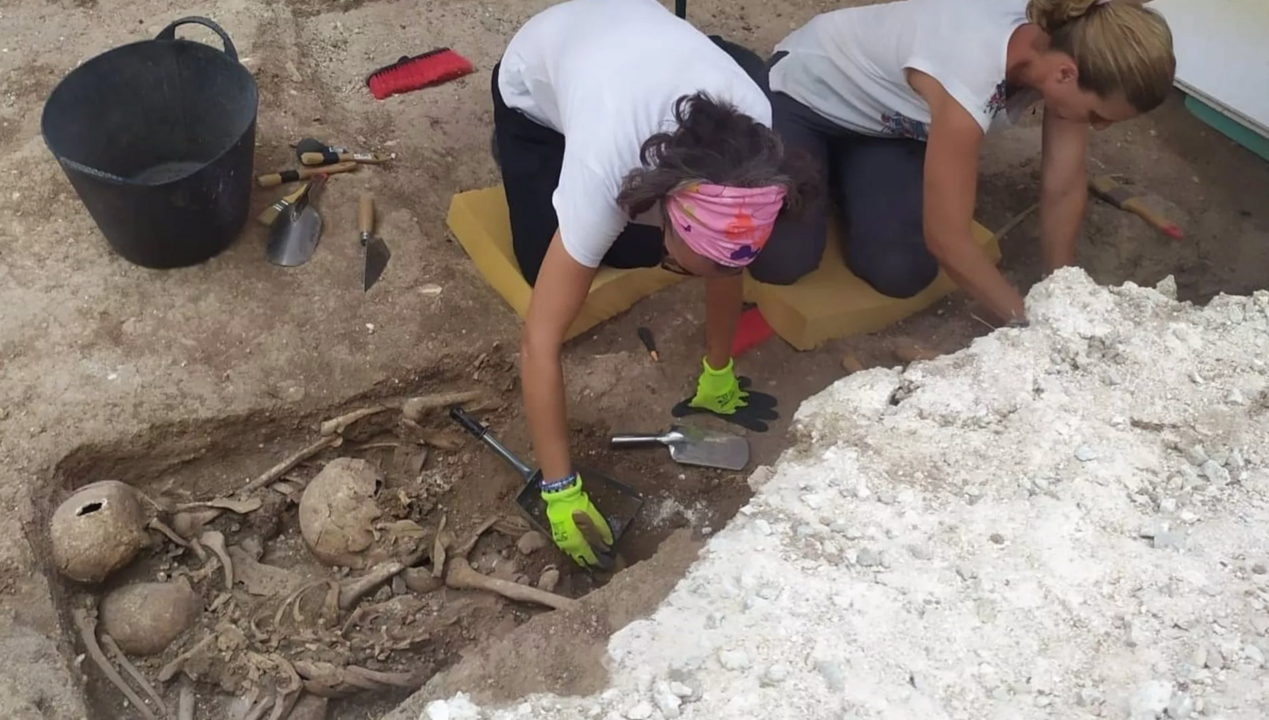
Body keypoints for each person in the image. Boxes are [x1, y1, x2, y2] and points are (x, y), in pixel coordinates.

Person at [490, 0, 817, 570]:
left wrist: (719, 372)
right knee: (544, 255)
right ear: (669, 207)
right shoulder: (606, 159)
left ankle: (662, 255)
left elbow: (729, 255)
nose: (704, 277)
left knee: (643, 245)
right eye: (691, 264)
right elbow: (538, 341)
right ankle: (524, 158)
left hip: (624, 48)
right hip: (534, 90)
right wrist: (559, 488)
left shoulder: (754, 140)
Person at [748, 0, 1175, 326]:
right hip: (805, 97)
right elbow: (948, 239)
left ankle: (838, 178)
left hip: (888, 126)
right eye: (1098, 115)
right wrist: (1029, 324)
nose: (1097, 128)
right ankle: (740, 75)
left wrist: (1061, 291)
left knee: (902, 272)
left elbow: (1062, 184)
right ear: (1065, 74)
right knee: (783, 262)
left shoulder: (1066, 47)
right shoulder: (968, 74)